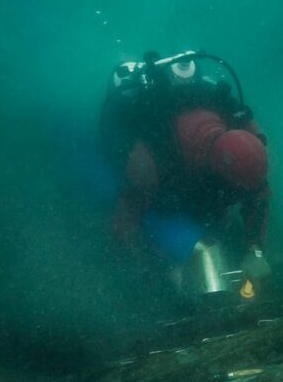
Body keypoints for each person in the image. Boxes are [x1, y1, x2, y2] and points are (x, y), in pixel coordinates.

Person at [100, 50, 272, 296]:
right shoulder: (149, 163)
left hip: (195, 177)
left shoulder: (248, 141)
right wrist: (140, 267)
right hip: (164, 177)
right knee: (167, 210)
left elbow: (258, 194)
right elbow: (124, 223)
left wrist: (255, 249)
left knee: (212, 218)